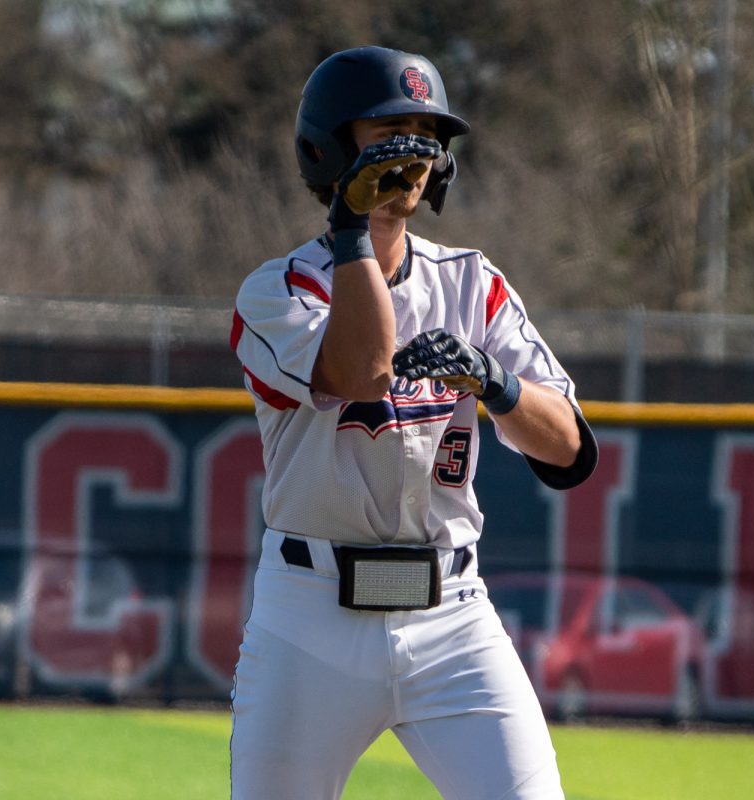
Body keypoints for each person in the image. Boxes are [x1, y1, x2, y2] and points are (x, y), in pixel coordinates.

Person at [229, 45, 598, 799]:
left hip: (452, 619)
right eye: (389, 128)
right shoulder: (276, 292)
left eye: (427, 133)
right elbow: (361, 372)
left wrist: (496, 385)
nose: (413, 150)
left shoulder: (471, 281)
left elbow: (569, 453)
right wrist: (352, 229)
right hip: (309, 618)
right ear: (329, 146)